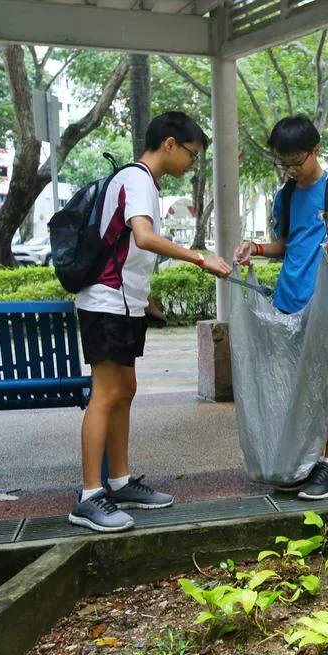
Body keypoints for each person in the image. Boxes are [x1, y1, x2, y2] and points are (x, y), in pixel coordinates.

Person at [70, 111, 232, 533]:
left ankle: (120, 483)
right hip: (105, 304)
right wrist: (200, 258)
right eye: (191, 154)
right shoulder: (137, 179)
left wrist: (147, 300)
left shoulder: (140, 182)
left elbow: (129, 249)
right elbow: (143, 236)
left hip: (124, 304)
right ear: (170, 144)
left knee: (125, 390)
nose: (191, 164)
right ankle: (88, 496)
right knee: (106, 393)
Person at [235, 115, 328, 500]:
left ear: (316, 150)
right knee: (294, 381)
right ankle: (303, 461)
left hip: (327, 303)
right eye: (284, 163)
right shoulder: (287, 194)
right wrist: (255, 248)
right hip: (288, 301)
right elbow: (285, 245)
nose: (291, 170)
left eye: (296, 161)